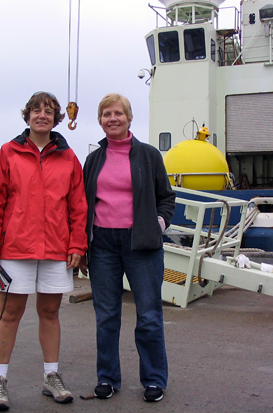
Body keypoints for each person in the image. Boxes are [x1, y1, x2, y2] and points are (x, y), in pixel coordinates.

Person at [0, 92, 88, 411]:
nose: (42, 115)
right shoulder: (8, 152)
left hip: (56, 250)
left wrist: (77, 244)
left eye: (49, 111)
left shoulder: (68, 158)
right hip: (15, 250)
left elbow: (78, 205)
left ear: (56, 119)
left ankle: (51, 376)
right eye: (36, 110)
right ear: (27, 116)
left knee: (50, 313)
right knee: (9, 314)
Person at [80, 93, 176, 403]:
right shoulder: (93, 160)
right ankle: (107, 377)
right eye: (106, 114)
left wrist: (157, 224)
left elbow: (166, 197)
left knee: (148, 314)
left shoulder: (148, 155)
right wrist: (82, 244)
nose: (113, 119)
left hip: (142, 244)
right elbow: (83, 203)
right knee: (106, 315)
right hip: (102, 244)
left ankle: (154, 379)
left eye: (118, 113)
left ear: (129, 118)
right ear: (100, 120)